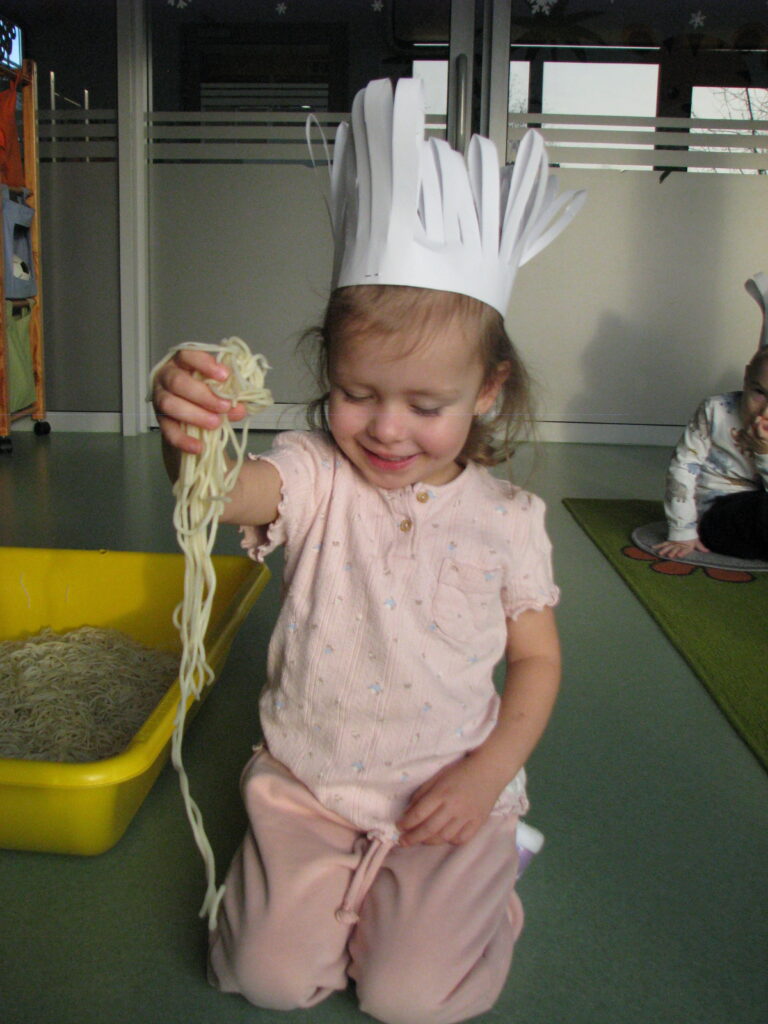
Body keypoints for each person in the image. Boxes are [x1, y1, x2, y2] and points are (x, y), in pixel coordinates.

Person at [152, 78, 584, 1024]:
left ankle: (491, 874)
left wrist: (486, 775)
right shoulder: (317, 472)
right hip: (310, 786)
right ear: (330, 373)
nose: (387, 430)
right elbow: (226, 494)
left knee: (408, 998)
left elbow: (538, 660)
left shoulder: (509, 518)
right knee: (268, 979)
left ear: (487, 390)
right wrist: (189, 433)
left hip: (446, 795)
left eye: (426, 405)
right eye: (358, 394)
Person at [656, 277, 768, 563]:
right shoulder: (716, 410)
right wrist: (682, 530)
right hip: (719, 509)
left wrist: (764, 453)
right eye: (759, 392)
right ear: (746, 377)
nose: (765, 410)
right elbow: (682, 468)